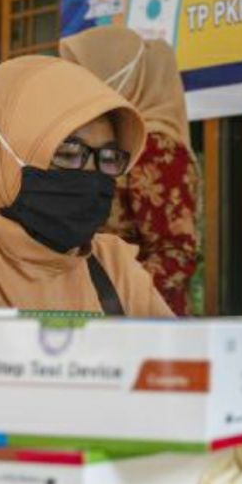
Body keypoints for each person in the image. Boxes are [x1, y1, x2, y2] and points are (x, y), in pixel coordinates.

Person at [0, 56, 172, 316]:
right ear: (0, 155)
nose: (92, 173)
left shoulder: (112, 264)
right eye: (67, 153)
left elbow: (172, 359)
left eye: (110, 157)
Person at [60, 25, 199, 315]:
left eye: (88, 76)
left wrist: (109, 297)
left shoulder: (158, 151)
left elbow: (174, 254)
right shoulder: (100, 143)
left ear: (125, 79)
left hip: (136, 325)